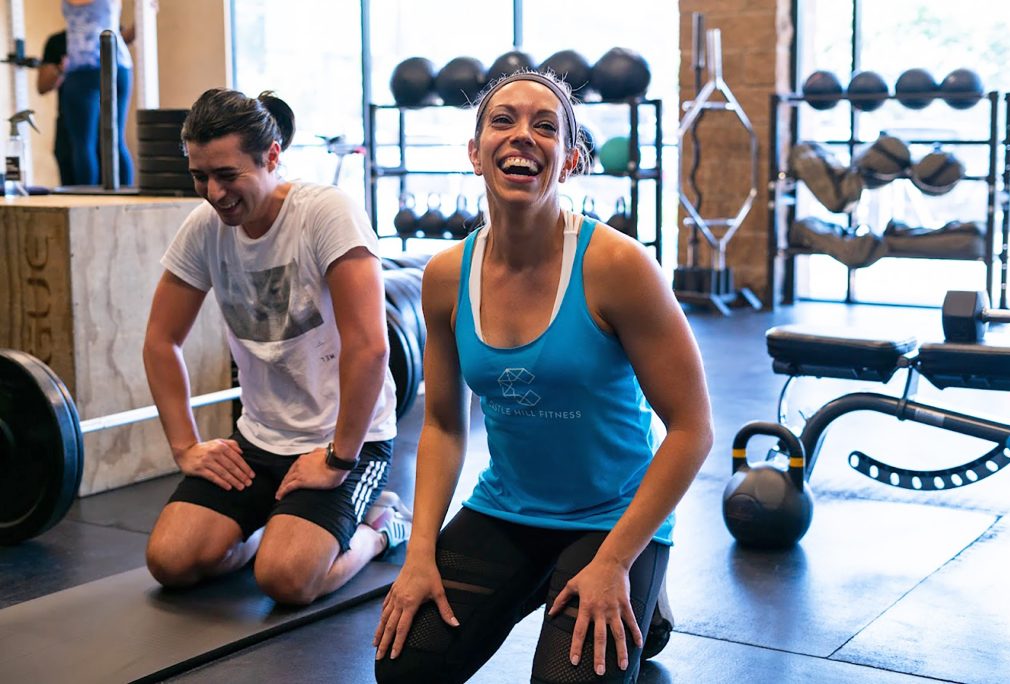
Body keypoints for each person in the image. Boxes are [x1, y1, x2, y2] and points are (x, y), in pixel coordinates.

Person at [373, 71, 713, 683]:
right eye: (502, 121)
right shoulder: (447, 277)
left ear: (573, 159)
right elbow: (445, 426)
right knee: (405, 668)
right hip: (509, 508)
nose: (522, 136)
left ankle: (644, 583)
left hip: (612, 515)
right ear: (474, 154)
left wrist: (616, 561)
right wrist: (419, 550)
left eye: (545, 126)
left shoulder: (618, 266)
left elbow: (693, 429)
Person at [142, 88, 411, 605]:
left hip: (343, 440)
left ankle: (380, 528)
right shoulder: (204, 230)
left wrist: (338, 459)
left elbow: (370, 346)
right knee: (171, 561)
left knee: (286, 580)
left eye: (226, 175)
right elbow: (160, 341)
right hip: (259, 439)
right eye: (200, 176)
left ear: (270, 157)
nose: (213, 193)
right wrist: (185, 447)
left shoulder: (325, 214)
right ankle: (277, 526)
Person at [60, 0, 134, 185]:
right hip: (87, 69)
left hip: (102, 65)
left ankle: (120, 200)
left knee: (90, 143)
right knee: (88, 144)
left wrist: (146, 14)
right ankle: (91, 203)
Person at [37, 30, 74, 186]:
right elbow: (42, 86)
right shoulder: (58, 42)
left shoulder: (111, 31)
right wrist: (61, 70)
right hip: (67, 126)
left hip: (105, 129)